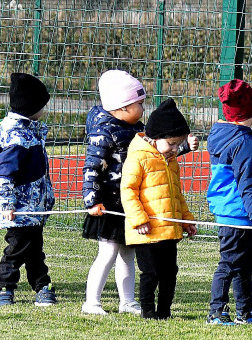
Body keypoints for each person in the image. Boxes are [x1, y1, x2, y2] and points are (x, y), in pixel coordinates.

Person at [82, 70, 199, 316]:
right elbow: (91, 167)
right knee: (108, 252)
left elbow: (160, 152)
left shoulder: (138, 129)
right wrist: (91, 199)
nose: (143, 109)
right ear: (122, 107)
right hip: (110, 205)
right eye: (139, 104)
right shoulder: (103, 132)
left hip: (132, 208)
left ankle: (127, 301)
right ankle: (92, 302)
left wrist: (185, 147)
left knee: (128, 253)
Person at [121, 99, 197, 319]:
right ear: (155, 139)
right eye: (172, 144)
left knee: (169, 273)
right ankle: (147, 311)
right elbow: (128, 191)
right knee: (150, 273)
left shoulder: (170, 160)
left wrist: (186, 220)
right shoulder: (138, 158)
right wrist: (139, 220)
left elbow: (176, 195)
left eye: (178, 144)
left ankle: (164, 311)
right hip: (146, 231)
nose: (176, 149)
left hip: (169, 229)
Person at [0, 73, 57, 307]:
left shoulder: (30, 131)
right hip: (19, 208)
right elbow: (4, 175)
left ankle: (42, 286)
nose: (45, 110)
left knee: (35, 249)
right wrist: (6, 205)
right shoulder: (16, 137)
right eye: (42, 105)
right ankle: (4, 288)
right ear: (31, 106)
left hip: (34, 207)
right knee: (16, 250)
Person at [205, 80, 252, 326]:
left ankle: (246, 310)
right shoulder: (246, 143)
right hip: (237, 213)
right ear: (250, 111)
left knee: (245, 264)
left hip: (231, 211)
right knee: (230, 263)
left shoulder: (220, 135)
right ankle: (216, 311)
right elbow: (247, 182)